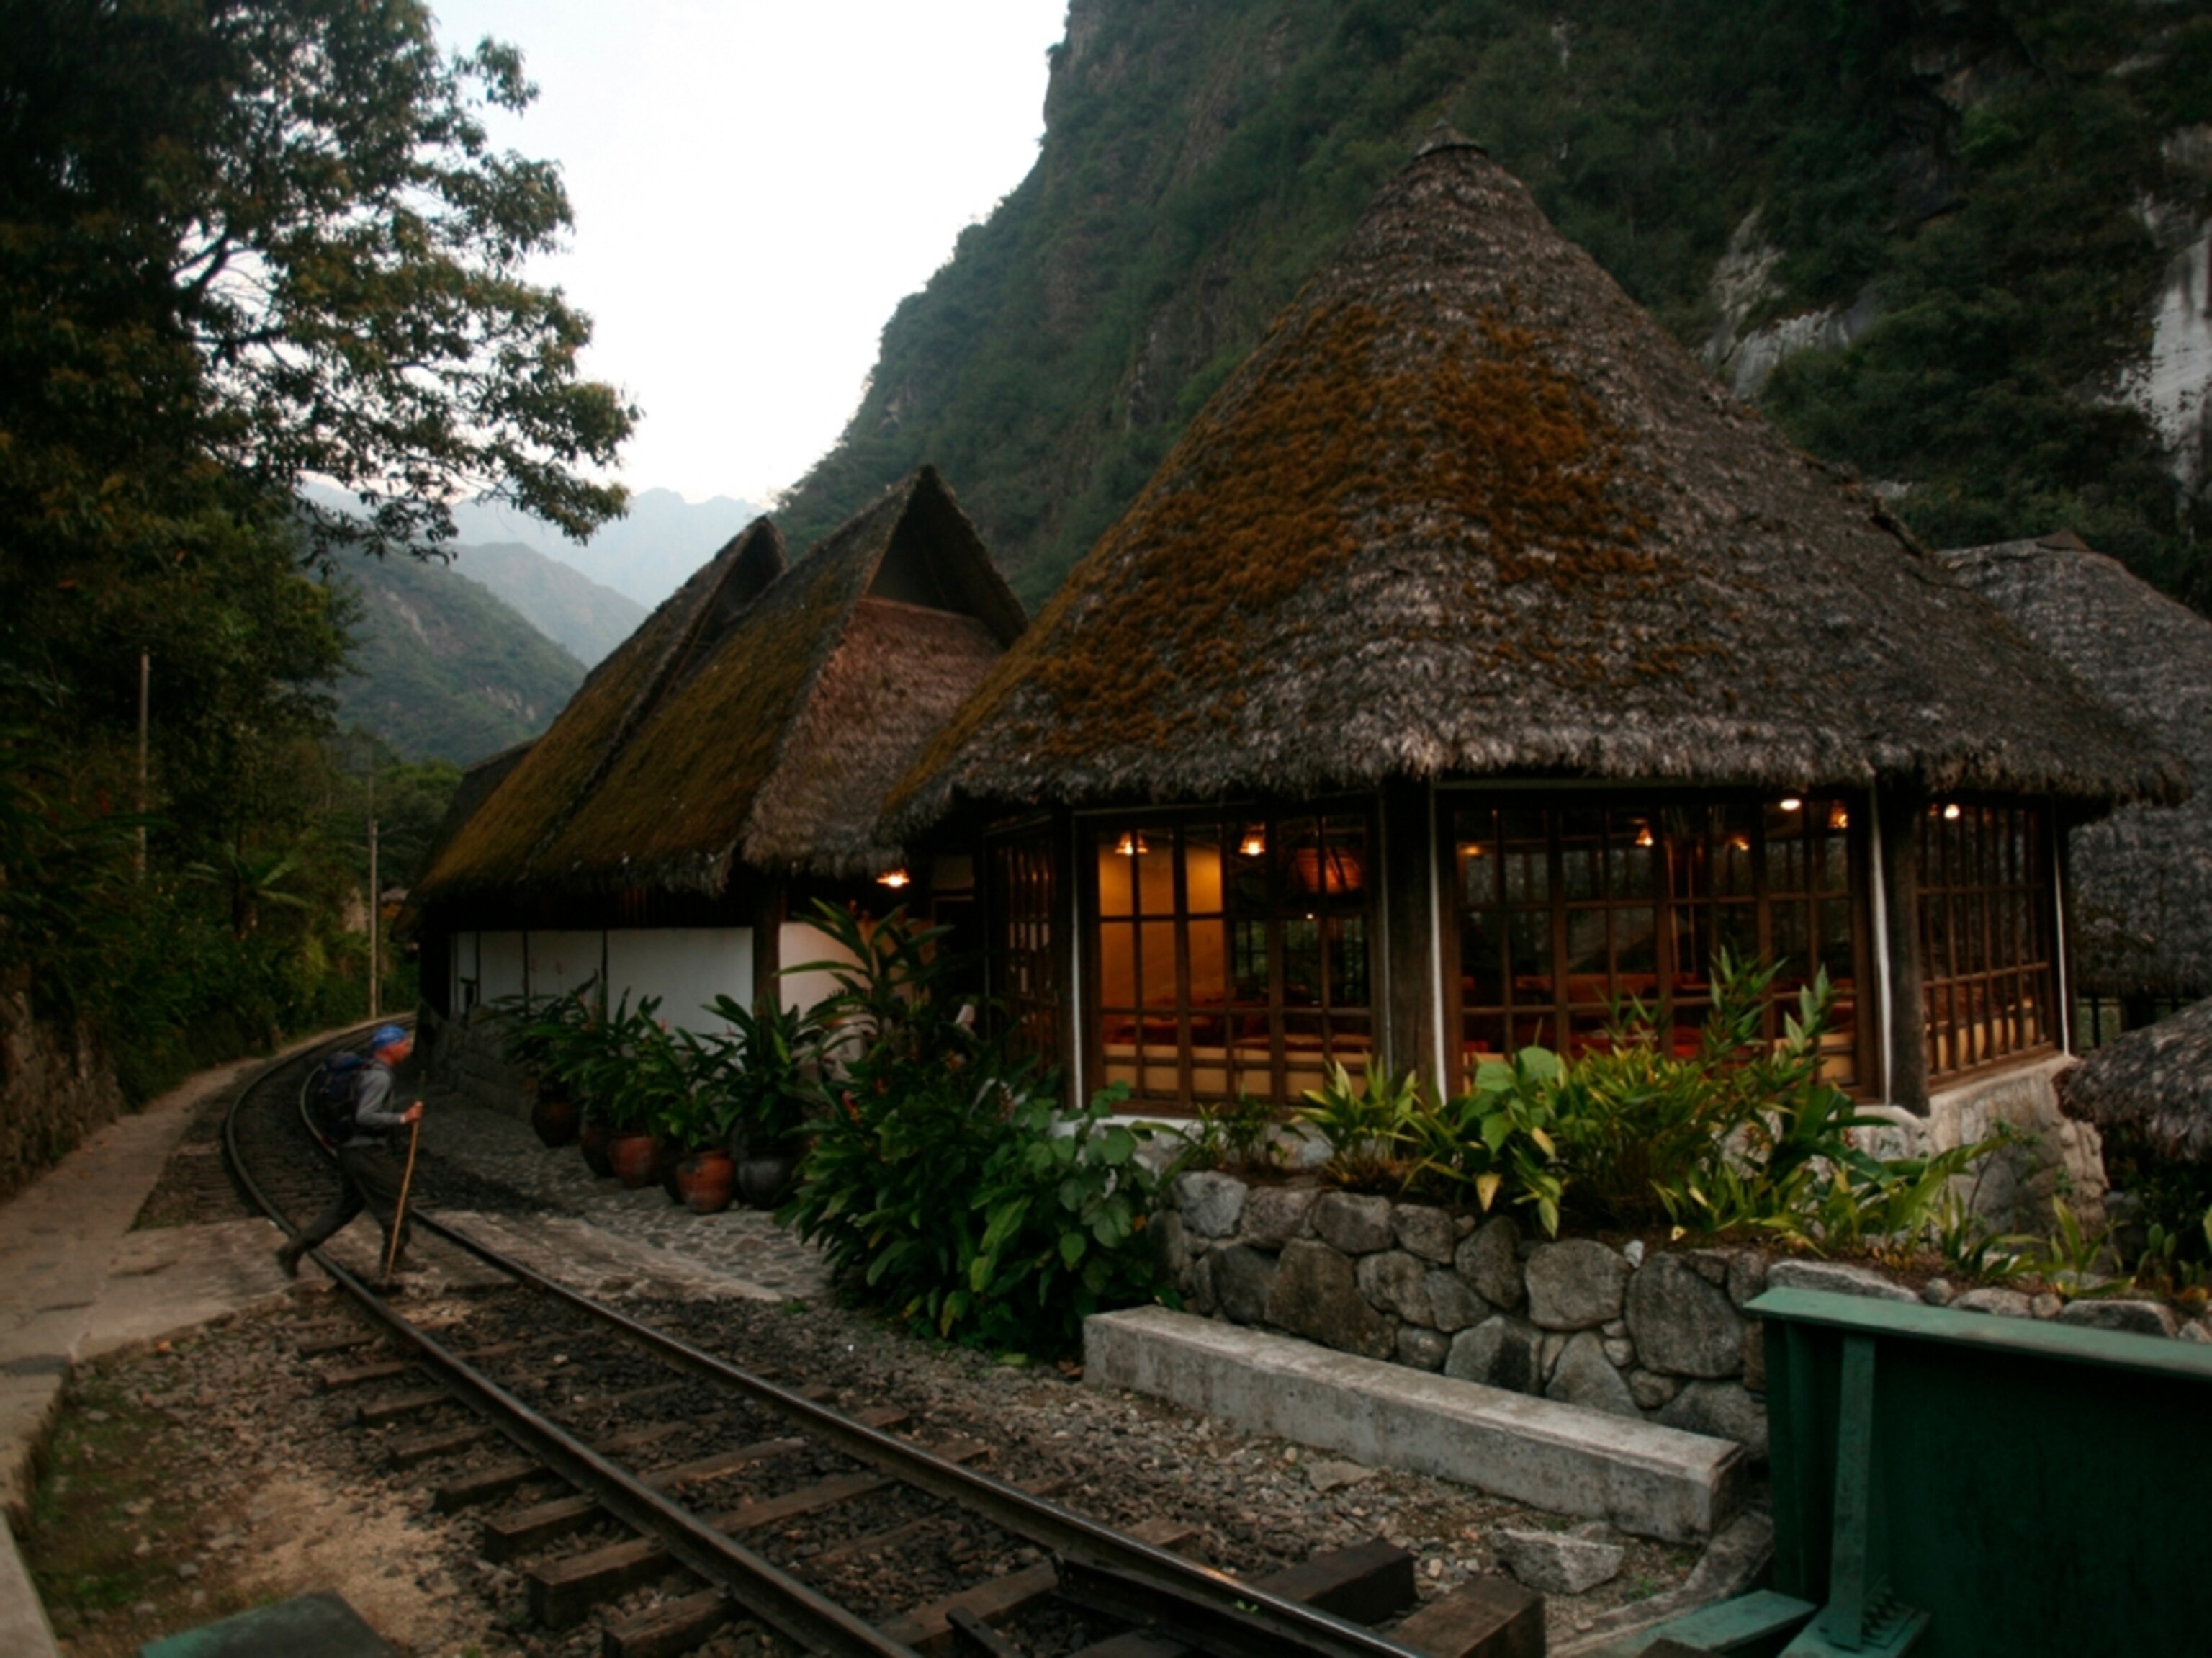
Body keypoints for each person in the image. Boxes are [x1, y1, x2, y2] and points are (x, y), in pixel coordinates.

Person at [276, 1024, 425, 1278]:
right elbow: (365, 1115)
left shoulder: (365, 1071)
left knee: (346, 1206)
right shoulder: (379, 1076)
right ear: (389, 1048)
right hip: (366, 1151)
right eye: (404, 1044)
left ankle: (295, 1247)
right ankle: (394, 1259)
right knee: (397, 1201)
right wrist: (403, 1119)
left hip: (349, 1150)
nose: (407, 1049)